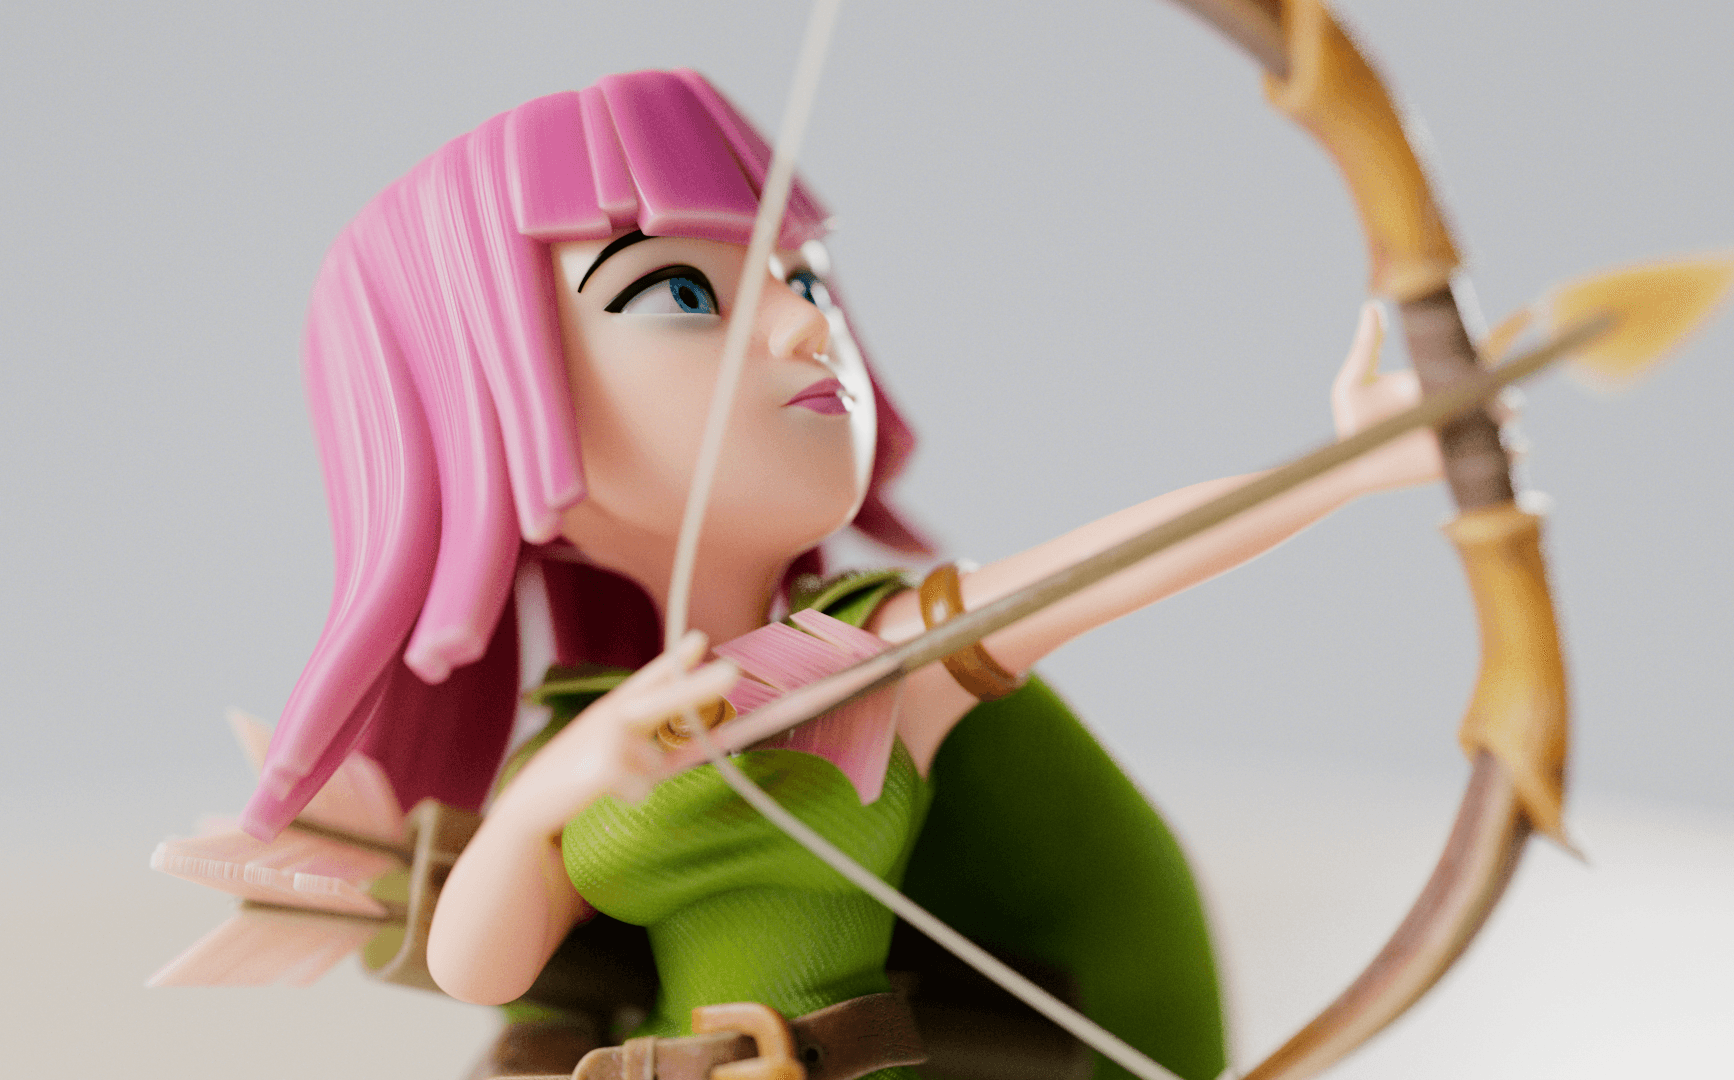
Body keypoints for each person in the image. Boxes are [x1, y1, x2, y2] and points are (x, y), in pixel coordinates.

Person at [243, 69, 1444, 1080]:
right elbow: (480, 966)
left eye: (806, 277)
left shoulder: (868, 663)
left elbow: (1110, 566)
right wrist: (548, 798)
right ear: (488, 408)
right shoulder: (586, 731)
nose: (809, 325)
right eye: (679, 292)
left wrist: (1342, 469)